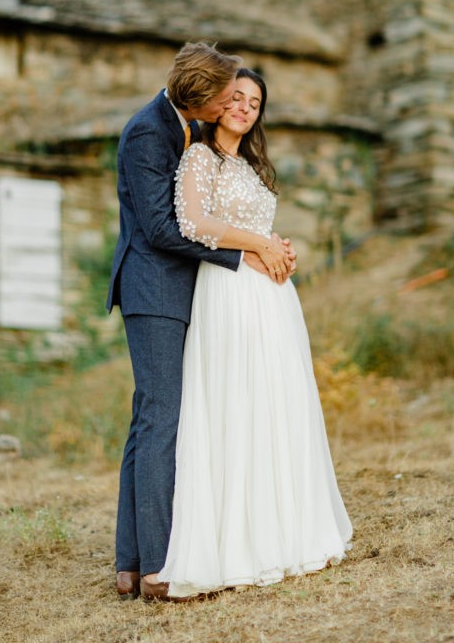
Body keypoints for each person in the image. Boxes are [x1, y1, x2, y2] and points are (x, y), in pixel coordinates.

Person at [106, 44, 295, 602]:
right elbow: (166, 230)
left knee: (151, 418)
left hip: (187, 291)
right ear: (200, 93)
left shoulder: (185, 127)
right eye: (223, 95)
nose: (229, 104)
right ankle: (160, 567)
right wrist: (245, 257)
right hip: (155, 290)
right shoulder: (149, 131)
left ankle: (132, 561)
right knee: (163, 418)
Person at [159, 68, 353, 599]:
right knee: (237, 403)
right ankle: (238, 545)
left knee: (278, 403)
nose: (245, 106)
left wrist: (277, 247)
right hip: (227, 292)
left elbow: (253, 231)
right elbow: (193, 223)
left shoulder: (252, 165)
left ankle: (288, 533)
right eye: (237, 97)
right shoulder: (200, 156)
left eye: (255, 101)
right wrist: (257, 244)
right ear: (219, 104)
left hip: (272, 298)